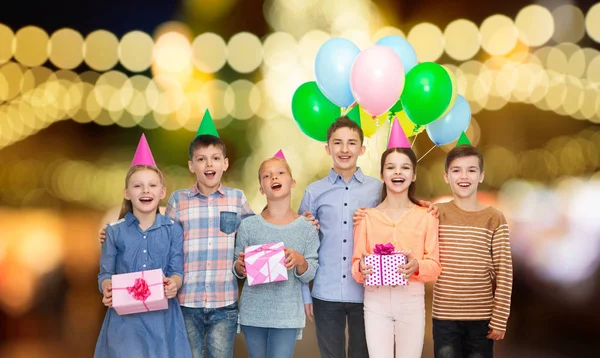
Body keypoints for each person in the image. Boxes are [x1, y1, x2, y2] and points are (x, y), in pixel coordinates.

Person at [299, 116, 437, 358]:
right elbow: (302, 244)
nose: (344, 149)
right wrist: (303, 295)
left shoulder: (376, 189)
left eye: (352, 143)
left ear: (362, 149)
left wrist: (426, 206)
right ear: (327, 147)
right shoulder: (314, 192)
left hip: (365, 294)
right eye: (337, 143)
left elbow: (401, 203)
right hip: (325, 291)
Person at [95, 134, 192, 358]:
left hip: (163, 320)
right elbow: (105, 274)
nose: (145, 191)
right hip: (126, 322)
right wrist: (107, 287)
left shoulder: (173, 229)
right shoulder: (113, 231)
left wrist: (174, 284)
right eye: (138, 186)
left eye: (152, 185)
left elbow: (177, 271)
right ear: (127, 193)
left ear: (162, 192)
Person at [351, 119, 441, 358]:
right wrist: (361, 267)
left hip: (411, 302)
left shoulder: (426, 216)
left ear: (413, 175)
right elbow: (355, 267)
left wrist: (417, 266)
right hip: (376, 302)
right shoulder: (366, 218)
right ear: (382, 175)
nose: (398, 172)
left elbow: (434, 266)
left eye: (405, 167)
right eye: (391, 167)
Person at [233, 154, 320, 358]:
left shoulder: (306, 229)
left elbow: (310, 272)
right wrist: (239, 267)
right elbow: (236, 268)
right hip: (253, 313)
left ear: (292, 182)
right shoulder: (248, 226)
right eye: (267, 175)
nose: (274, 177)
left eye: (280, 173)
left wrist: (300, 261)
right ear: (261, 188)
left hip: (287, 314)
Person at [432, 144, 513, 358]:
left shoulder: (494, 218)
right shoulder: (435, 213)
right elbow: (404, 216)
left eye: (471, 170)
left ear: (481, 175)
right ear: (446, 176)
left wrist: (500, 318)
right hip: (444, 317)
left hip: (481, 319)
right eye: (456, 170)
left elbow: (504, 271)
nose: (463, 176)